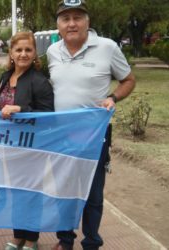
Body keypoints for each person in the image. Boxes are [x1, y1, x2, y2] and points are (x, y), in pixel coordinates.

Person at [46, 1, 136, 249]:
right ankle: (65, 240)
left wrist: (113, 97)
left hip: (94, 134)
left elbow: (128, 79)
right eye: (66, 19)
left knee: (93, 193)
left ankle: (92, 242)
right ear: (59, 25)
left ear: (87, 21)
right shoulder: (52, 51)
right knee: (63, 189)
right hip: (60, 135)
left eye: (77, 17)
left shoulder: (108, 47)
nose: (72, 23)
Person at [0, 32, 54, 250]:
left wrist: (21, 110)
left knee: (31, 194)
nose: (23, 54)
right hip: (9, 147)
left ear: (34, 53)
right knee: (16, 193)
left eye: (28, 50)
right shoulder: (5, 77)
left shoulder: (40, 82)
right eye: (18, 49)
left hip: (32, 148)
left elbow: (49, 116)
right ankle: (18, 236)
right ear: (11, 52)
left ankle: (31, 240)